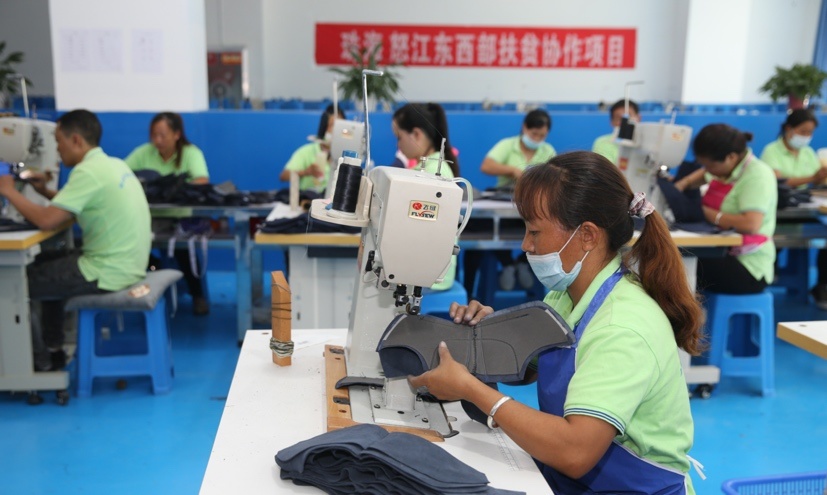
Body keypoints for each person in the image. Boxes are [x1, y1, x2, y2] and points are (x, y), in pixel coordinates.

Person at [410, 151, 704, 494]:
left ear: (588, 236)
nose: (525, 245)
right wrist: (485, 337)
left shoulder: (621, 327)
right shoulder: (568, 295)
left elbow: (575, 451)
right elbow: (530, 367)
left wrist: (469, 388)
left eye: (535, 231)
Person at [0, 109, 151, 371]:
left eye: (59, 142)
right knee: (46, 262)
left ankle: (39, 362)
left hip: (106, 271)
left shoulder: (88, 172)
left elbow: (47, 220)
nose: (57, 150)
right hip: (127, 264)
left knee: (14, 280)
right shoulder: (112, 164)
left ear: (77, 141)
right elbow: (71, 207)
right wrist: (44, 191)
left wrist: (9, 191)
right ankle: (53, 347)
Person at [674, 124, 778, 294]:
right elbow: (704, 173)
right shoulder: (726, 169)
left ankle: (682, 318)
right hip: (724, 251)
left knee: (673, 264)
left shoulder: (758, 176)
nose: (707, 171)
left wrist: (702, 211)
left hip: (747, 266)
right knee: (674, 260)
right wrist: (682, 184)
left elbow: (751, 224)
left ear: (730, 157)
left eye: (710, 166)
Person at [125, 112, 211, 315]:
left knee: (183, 252)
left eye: (162, 135)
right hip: (149, 218)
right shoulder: (144, 152)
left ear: (177, 134)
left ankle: (197, 295)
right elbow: (122, 174)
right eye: (154, 135)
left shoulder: (191, 153)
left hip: (181, 218)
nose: (157, 140)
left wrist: (175, 187)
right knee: (132, 247)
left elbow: (202, 180)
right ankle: (156, 273)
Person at [479, 109, 556, 291]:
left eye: (541, 135)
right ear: (524, 128)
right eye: (534, 134)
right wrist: (512, 171)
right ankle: (507, 264)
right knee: (494, 234)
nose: (537, 139)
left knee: (542, 232)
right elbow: (486, 166)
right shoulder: (508, 145)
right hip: (506, 200)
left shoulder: (548, 150)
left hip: (533, 204)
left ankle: (522, 263)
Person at [759, 110, 827, 307]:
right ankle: (770, 271)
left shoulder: (808, 153)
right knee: (772, 236)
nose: (806, 136)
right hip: (779, 211)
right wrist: (812, 178)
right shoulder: (772, 151)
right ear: (789, 128)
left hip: (806, 208)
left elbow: (816, 181)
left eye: (810, 132)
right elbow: (779, 180)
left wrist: (820, 179)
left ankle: (823, 285)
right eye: (802, 131)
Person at [392, 102, 460, 291]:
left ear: (416, 134)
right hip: (433, 271)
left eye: (399, 137)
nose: (398, 145)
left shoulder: (431, 174)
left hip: (430, 276)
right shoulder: (432, 168)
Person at [279, 104, 347, 193]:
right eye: (332, 125)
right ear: (323, 128)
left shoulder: (345, 155)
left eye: (340, 127)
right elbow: (284, 176)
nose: (336, 130)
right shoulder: (305, 152)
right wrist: (306, 172)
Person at [591, 99, 641, 165]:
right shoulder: (602, 143)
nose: (624, 123)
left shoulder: (648, 142)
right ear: (612, 122)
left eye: (629, 117)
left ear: (639, 118)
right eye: (618, 118)